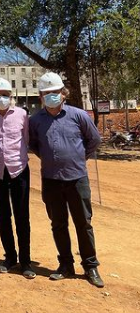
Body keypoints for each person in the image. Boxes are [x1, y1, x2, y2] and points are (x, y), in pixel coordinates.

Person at [29, 72, 104, 288]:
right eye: (46, 93)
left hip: (77, 179)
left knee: (83, 223)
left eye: (55, 92)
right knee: (58, 224)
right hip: (51, 180)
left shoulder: (79, 115)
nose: (51, 96)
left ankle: (90, 266)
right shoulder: (35, 121)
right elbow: (34, 144)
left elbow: (94, 140)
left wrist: (79, 158)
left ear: (63, 93)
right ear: (40, 96)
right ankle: (65, 265)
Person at [0, 78, 35, 279]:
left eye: (5, 94)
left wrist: (19, 157)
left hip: (19, 170)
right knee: (4, 216)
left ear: (11, 97)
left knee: (22, 216)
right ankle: (10, 257)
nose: (2, 98)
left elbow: (27, 139)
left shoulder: (22, 114)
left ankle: (26, 261)